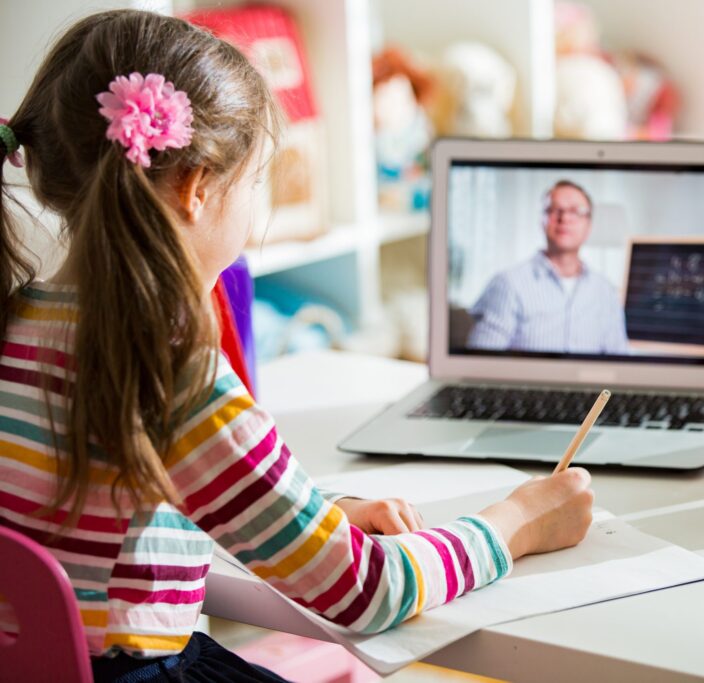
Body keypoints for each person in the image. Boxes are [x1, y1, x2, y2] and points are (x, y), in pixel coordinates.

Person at [0, 11, 594, 682]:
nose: (261, 204)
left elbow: (133, 501)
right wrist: (517, 520)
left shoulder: (16, 321)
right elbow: (368, 590)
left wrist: (319, 512)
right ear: (198, 188)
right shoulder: (168, 368)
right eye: (259, 179)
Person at [467, 180, 629, 354]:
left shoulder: (606, 291)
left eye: (575, 211)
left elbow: (618, 362)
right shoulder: (508, 284)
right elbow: (480, 362)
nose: (564, 218)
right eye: (555, 210)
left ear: (589, 225)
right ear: (542, 220)